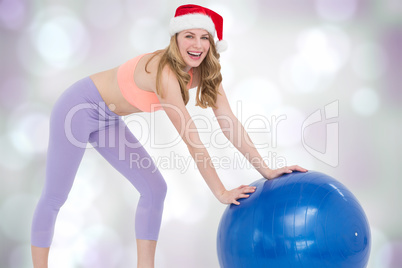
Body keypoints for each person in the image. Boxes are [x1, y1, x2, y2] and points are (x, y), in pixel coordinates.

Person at [31, 4, 307, 268]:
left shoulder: (209, 73)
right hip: (78, 108)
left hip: (108, 119)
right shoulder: (165, 72)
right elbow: (191, 137)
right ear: (175, 38)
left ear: (212, 43)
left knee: (154, 189)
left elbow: (228, 122)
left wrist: (267, 170)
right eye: (189, 36)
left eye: (204, 38)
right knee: (56, 196)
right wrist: (220, 191)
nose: (196, 45)